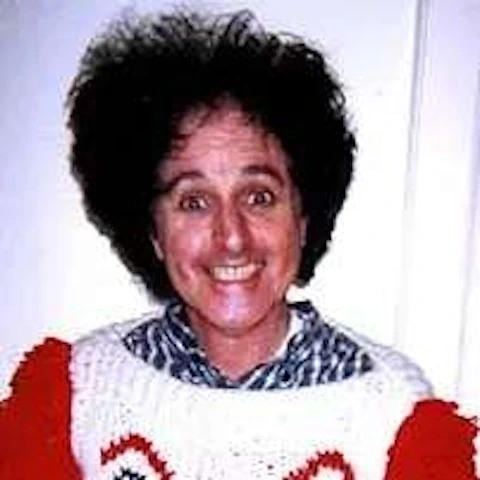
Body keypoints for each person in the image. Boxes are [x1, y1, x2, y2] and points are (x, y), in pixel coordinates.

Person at [0, 9, 477, 480]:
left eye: (259, 197)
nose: (231, 238)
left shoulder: (395, 415)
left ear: (304, 216)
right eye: (193, 202)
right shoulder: (75, 397)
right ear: (152, 231)